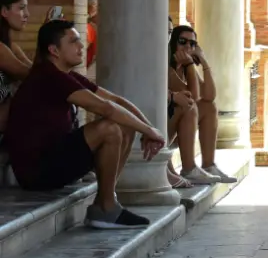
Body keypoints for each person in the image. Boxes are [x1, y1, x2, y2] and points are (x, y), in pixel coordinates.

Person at [5, 19, 165, 229]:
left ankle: (105, 202)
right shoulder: (48, 75)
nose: (82, 46)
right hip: (37, 171)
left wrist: (147, 129)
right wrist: (149, 130)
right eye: (74, 41)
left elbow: (115, 101)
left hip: (56, 157)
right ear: (54, 50)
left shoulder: (65, 75)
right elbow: (105, 108)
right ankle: (106, 208)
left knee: (124, 125)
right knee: (109, 128)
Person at [168, 25, 237, 183]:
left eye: (192, 44)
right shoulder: (169, 69)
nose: (187, 46)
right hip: (163, 130)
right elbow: (194, 95)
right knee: (192, 106)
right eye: (182, 41)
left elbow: (209, 96)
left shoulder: (186, 68)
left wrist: (203, 61)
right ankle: (189, 169)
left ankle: (208, 165)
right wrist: (190, 65)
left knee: (209, 107)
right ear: (173, 43)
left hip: (179, 126)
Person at [0, 0, 32, 147]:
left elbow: (35, 71)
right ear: (4, 11)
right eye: (21, 8)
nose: (27, 14)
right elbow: (28, 75)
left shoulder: (10, 45)